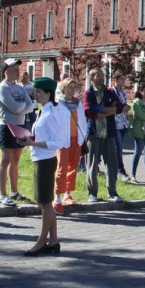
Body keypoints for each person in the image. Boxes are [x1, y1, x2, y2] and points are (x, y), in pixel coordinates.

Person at [20, 77, 65, 256]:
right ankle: (53, 240)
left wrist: (33, 143)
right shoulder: (43, 112)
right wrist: (27, 140)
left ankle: (41, 242)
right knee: (45, 203)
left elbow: (57, 142)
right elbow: (41, 137)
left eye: (38, 92)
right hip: (40, 159)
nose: (35, 94)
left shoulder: (51, 114)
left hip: (46, 160)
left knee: (45, 203)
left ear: (48, 94)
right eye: (35, 91)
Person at [0, 58, 34, 207]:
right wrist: (23, 106)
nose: (18, 71)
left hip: (21, 126)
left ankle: (14, 192)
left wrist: (22, 106)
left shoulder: (20, 87)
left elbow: (32, 106)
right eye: (15, 69)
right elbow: (14, 107)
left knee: (16, 160)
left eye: (18, 69)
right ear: (6, 71)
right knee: (5, 160)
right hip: (7, 127)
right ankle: (2, 195)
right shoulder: (2, 88)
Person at [83, 68, 121, 202]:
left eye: (102, 75)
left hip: (109, 133)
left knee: (112, 164)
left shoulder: (110, 92)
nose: (101, 78)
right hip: (94, 134)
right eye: (98, 75)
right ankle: (92, 193)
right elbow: (89, 111)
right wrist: (108, 110)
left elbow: (119, 108)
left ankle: (113, 192)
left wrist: (102, 112)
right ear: (92, 78)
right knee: (92, 165)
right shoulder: (88, 93)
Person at [53, 77, 87, 214]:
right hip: (63, 140)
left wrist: (82, 136)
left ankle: (68, 194)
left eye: (74, 87)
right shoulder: (58, 104)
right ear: (63, 88)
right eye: (70, 87)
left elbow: (83, 121)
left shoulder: (78, 103)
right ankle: (57, 198)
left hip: (76, 139)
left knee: (73, 167)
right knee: (61, 167)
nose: (72, 90)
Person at [111, 73, 132, 181]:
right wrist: (123, 107)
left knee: (119, 148)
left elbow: (124, 105)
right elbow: (115, 106)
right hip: (115, 123)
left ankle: (117, 169)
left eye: (124, 79)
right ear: (116, 79)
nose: (123, 81)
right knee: (118, 148)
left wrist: (126, 108)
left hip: (123, 122)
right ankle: (120, 170)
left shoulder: (122, 92)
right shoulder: (111, 91)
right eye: (121, 79)